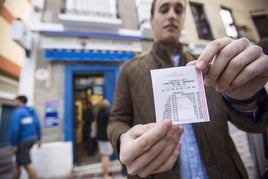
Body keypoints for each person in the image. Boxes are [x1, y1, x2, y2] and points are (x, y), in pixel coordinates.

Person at [107, 0, 268, 179]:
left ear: (183, 19)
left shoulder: (210, 65)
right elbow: (117, 120)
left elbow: (255, 125)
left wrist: (245, 98)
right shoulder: (130, 69)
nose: (172, 15)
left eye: (178, 10)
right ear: (152, 20)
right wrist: (123, 140)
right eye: (164, 9)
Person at [9, 95, 42, 179]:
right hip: (32, 139)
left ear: (19, 101)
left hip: (22, 141)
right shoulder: (31, 111)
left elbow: (14, 129)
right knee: (18, 164)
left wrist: (13, 143)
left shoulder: (18, 112)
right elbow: (37, 125)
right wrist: (39, 139)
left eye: (15, 101)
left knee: (27, 164)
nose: (13, 103)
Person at [96, 99, 113, 179]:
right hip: (105, 137)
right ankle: (106, 175)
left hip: (100, 136)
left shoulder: (98, 114)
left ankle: (105, 173)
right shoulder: (107, 114)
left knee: (103, 155)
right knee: (106, 156)